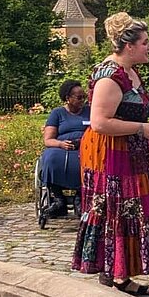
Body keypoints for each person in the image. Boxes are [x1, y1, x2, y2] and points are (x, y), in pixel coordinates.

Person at [72, 12, 149, 292]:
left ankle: (119, 273)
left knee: (132, 210)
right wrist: (141, 128)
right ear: (128, 46)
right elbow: (99, 123)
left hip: (131, 150)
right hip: (112, 153)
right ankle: (116, 274)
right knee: (119, 210)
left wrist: (145, 131)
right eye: (145, 42)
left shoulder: (130, 71)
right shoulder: (110, 76)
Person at [40, 80, 90, 214]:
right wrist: (61, 144)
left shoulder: (89, 111)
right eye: (79, 97)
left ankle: (79, 198)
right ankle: (58, 200)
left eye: (83, 96)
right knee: (51, 158)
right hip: (61, 147)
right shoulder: (57, 113)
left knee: (87, 160)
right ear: (67, 98)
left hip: (85, 146)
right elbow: (48, 140)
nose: (82, 100)